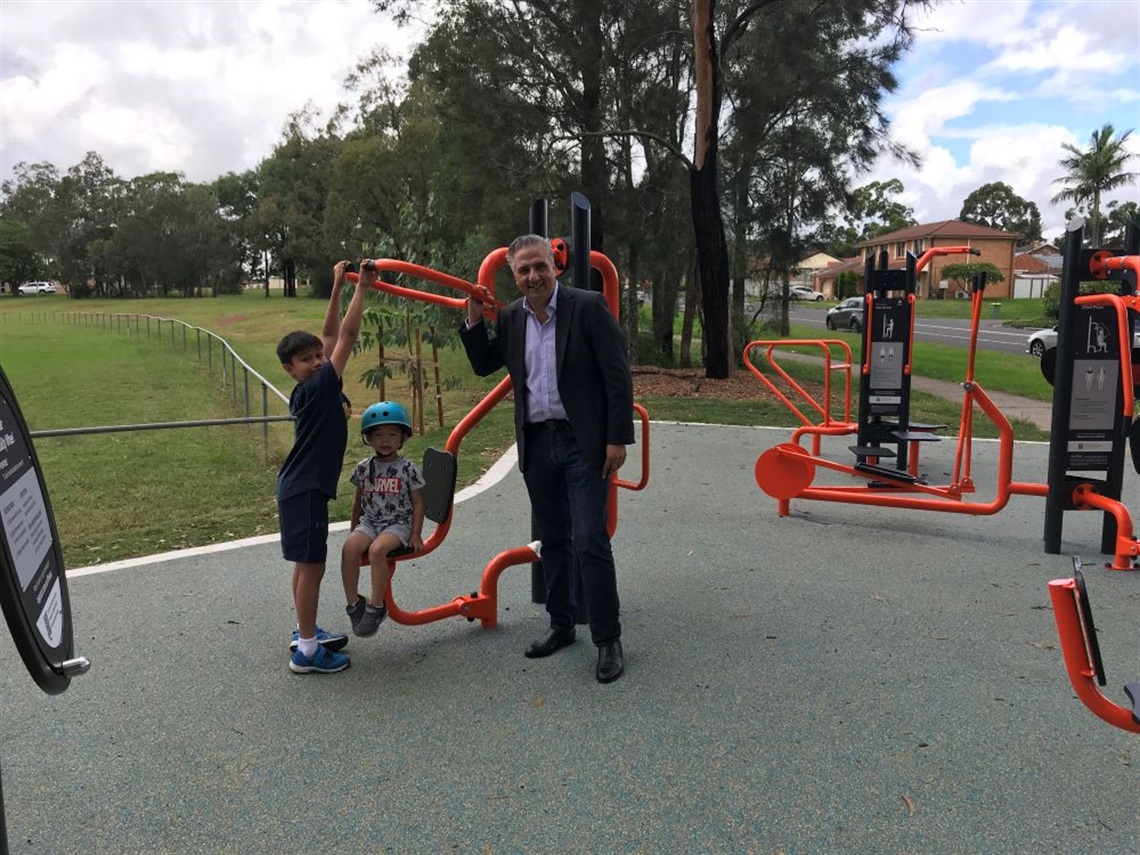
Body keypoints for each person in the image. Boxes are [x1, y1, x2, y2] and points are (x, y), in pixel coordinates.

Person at [460, 234, 634, 683]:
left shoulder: (588, 306)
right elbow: (485, 364)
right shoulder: (514, 317)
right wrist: (474, 321)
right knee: (552, 539)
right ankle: (561, 625)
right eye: (523, 270)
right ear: (514, 276)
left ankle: (607, 638)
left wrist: (617, 439)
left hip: (583, 442)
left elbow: (617, 375)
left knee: (591, 538)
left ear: (554, 268)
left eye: (540, 267)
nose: (533, 276)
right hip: (537, 443)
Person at [276, 259, 372, 675]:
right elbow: (346, 335)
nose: (317, 361)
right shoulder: (318, 387)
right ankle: (309, 653)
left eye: (318, 356)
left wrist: (336, 284)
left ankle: (304, 631)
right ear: (290, 370)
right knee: (313, 566)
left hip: (298, 487)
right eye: (305, 358)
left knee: (304, 565)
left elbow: (330, 334)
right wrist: (362, 289)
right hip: (307, 488)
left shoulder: (309, 387)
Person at [340, 401, 425, 637]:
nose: (385, 440)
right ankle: (354, 603)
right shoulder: (363, 468)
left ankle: (377, 606)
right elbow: (358, 503)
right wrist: (354, 529)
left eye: (392, 434)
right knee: (349, 548)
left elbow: (418, 503)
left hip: (398, 524)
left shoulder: (407, 469)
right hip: (370, 522)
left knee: (377, 550)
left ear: (402, 438)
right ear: (368, 438)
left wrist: (416, 533)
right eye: (378, 435)